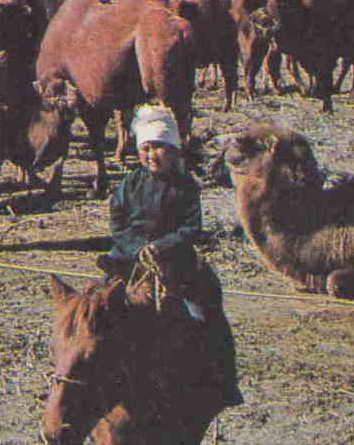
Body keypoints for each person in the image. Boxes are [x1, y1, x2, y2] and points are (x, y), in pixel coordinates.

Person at [97, 103, 244, 408]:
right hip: (128, 258)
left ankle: (223, 380)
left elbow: (191, 227)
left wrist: (161, 247)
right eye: (146, 148)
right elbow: (117, 221)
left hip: (174, 261)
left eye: (159, 148)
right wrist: (138, 247)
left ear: (174, 151)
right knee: (97, 309)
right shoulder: (130, 183)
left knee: (205, 309)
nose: (151, 155)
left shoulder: (186, 186)